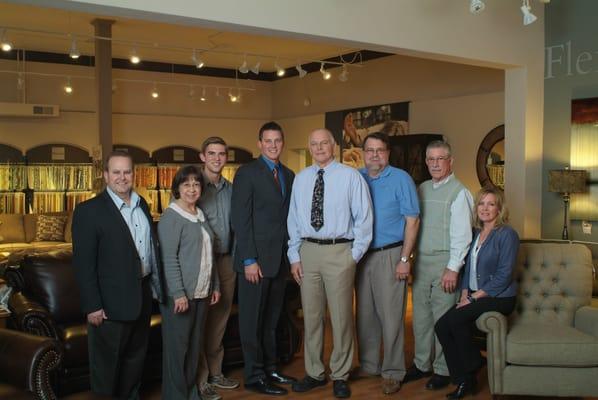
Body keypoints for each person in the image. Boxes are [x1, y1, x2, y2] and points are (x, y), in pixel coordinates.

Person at [72, 150, 165, 399]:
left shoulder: (142, 204)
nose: (122, 177)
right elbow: (84, 265)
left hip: (142, 297)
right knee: (106, 371)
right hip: (109, 306)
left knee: (135, 364)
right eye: (116, 172)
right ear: (105, 175)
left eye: (127, 171)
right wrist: (92, 306)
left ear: (134, 174)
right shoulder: (88, 211)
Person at [288, 128, 373, 399]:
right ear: (309, 147)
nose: (320, 147)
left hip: (340, 252)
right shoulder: (301, 179)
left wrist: (353, 256)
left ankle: (340, 373)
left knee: (341, 317)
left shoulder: (351, 177)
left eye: (324, 143)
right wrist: (294, 256)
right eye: (314, 144)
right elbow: (293, 219)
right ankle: (314, 372)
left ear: (334, 146)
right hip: (308, 251)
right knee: (312, 318)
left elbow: (364, 219)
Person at [231, 121, 296, 396]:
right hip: (255, 263)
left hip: (279, 260)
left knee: (272, 319)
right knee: (252, 321)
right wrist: (248, 259)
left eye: (277, 140)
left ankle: (270, 368)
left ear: (282, 142)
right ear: (259, 144)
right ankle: (254, 375)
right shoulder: (247, 173)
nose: (272, 145)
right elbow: (240, 220)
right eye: (267, 141)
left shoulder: (289, 174)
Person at [435, 188, 519, 399]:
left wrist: (473, 297)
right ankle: (466, 374)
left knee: (454, 320)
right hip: (475, 293)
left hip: (500, 297)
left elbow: (504, 276)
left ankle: (469, 373)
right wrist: (465, 292)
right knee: (441, 326)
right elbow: (468, 268)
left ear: (499, 208)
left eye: (491, 204)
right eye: (481, 203)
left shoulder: (507, 234)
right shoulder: (474, 233)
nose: (485, 208)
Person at [406, 140, 474, 391]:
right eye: (430, 159)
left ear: (450, 161)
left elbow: (463, 236)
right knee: (421, 319)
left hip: (445, 263)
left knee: (442, 320)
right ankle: (422, 364)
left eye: (440, 159)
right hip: (422, 262)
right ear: (426, 162)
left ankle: (443, 369)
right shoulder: (422, 188)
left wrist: (453, 268)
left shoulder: (459, 192)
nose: (435, 164)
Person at [355, 132, 420, 395]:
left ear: (387, 152)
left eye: (379, 150)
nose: (374, 155)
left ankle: (393, 371)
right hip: (361, 255)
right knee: (365, 314)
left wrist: (405, 259)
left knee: (391, 315)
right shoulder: (356, 177)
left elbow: (412, 221)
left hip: (390, 254)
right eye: (369, 150)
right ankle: (370, 365)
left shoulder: (401, 179)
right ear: (363, 153)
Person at [157, 165, 219, 400]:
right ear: (177, 188)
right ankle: (175, 396)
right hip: (180, 297)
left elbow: (208, 255)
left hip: (202, 294)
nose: (192, 189)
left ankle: (191, 393)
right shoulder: (171, 218)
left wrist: (215, 286)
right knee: (177, 352)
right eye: (186, 184)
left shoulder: (199, 215)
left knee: (193, 350)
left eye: (196, 184)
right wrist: (178, 293)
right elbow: (168, 259)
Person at [196, 137, 240, 400]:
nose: (216, 158)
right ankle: (201, 380)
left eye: (222, 154)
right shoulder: (193, 185)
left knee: (220, 318)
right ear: (202, 156)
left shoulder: (231, 188)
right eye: (211, 153)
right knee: (201, 320)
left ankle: (216, 372)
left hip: (226, 261)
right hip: (202, 263)